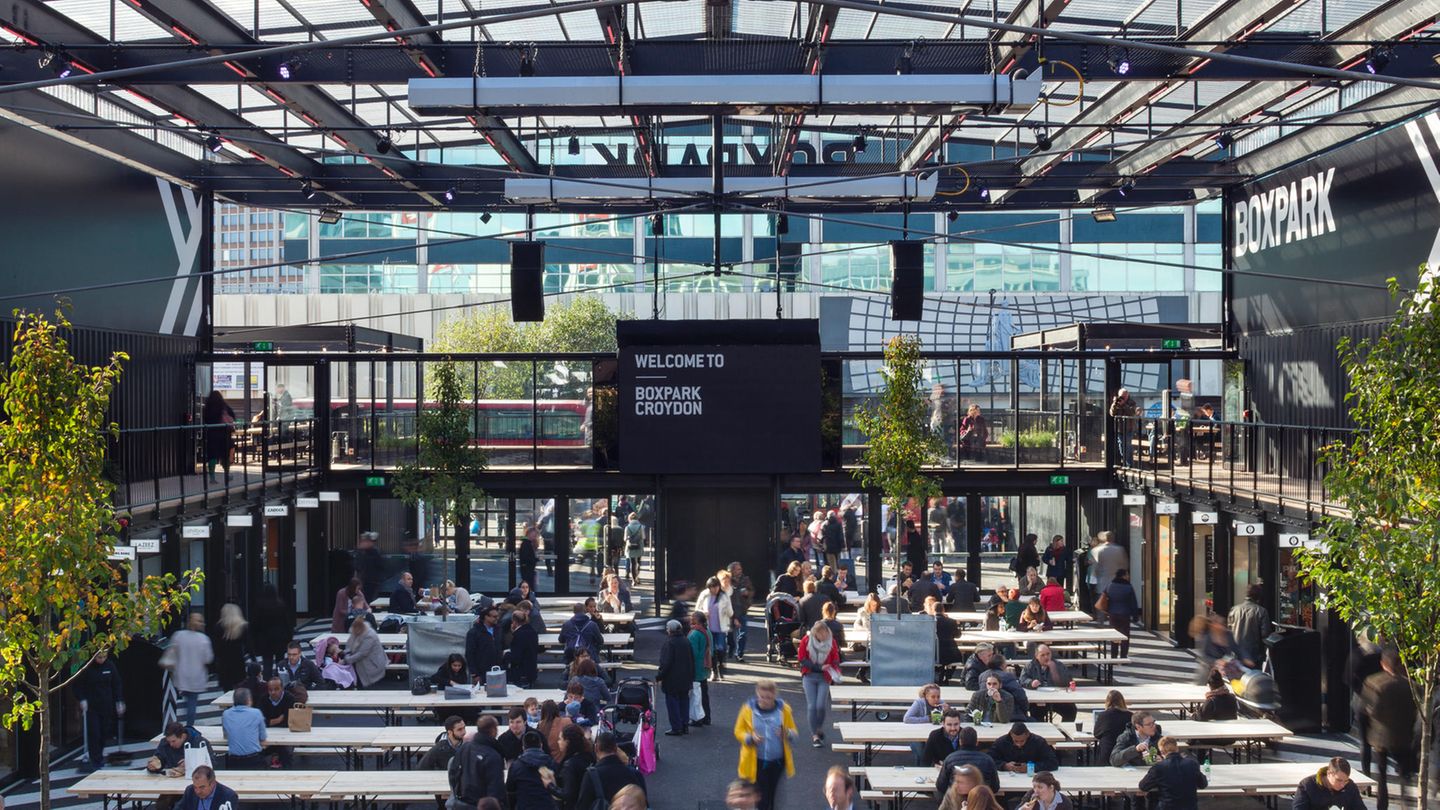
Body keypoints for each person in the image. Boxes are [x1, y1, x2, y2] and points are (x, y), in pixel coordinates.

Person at [1362, 648, 1417, 810]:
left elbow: (1372, 710)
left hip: (1381, 737)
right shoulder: (1411, 685)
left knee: (1382, 773)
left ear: (1383, 664)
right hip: (1404, 736)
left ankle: (1382, 804)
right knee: (1404, 773)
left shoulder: (1374, 682)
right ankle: (1405, 802)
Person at [733, 679, 797, 810]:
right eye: (761, 696)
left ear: (774, 695)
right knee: (762, 796)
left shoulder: (784, 710)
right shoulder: (747, 710)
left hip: (778, 761)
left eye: (768, 697)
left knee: (772, 793)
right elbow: (738, 730)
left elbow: (794, 733)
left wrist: (787, 733)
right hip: (756, 761)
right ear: (757, 693)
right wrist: (750, 738)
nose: (764, 700)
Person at [76, 649, 125, 770]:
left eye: (104, 657)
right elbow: (77, 686)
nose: (102, 660)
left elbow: (116, 684)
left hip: (106, 705)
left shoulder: (110, 666)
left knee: (104, 732)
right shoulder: (86, 668)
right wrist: (82, 699)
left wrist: (119, 701)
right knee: (94, 733)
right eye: (99, 657)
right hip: (92, 707)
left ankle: (100, 755)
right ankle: (95, 759)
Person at [796, 620, 840, 748]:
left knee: (820, 705)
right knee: (812, 706)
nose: (824, 636)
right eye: (821, 634)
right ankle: (815, 735)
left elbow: (836, 658)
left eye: (825, 633)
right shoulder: (806, 640)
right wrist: (819, 667)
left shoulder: (832, 641)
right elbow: (802, 659)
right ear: (815, 633)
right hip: (809, 675)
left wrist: (835, 670)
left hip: (824, 677)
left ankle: (819, 727)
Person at [575, 731, 646, 809]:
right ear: (616, 748)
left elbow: (582, 806)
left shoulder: (591, 776)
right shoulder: (635, 774)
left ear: (596, 748)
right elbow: (643, 803)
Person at [448, 716, 506, 810]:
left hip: (462, 802)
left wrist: (458, 794)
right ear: (493, 730)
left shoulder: (464, 748)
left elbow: (453, 773)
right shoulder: (493, 756)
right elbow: (496, 788)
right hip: (482, 806)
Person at [1137, 737, 1206, 810]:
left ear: (1161, 752)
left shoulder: (1159, 768)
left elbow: (1143, 786)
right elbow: (1203, 784)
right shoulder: (1192, 764)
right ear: (1177, 749)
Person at [934, 724, 1002, 794]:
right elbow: (995, 787)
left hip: (956, 801)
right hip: (980, 801)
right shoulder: (988, 760)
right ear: (977, 742)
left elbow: (941, 786)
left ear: (960, 742)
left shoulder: (950, 759)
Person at [658, 619, 696, 736]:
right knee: (684, 700)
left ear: (670, 630)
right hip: (685, 677)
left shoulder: (670, 643)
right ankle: (684, 724)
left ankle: (676, 727)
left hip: (672, 679)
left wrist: (660, 676)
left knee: (672, 702)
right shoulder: (686, 641)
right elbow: (692, 659)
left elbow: (666, 662)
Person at [1022, 645, 1076, 722]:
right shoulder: (1030, 666)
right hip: (1038, 700)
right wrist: (1031, 683)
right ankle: (1042, 732)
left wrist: (1054, 670)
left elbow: (1068, 682)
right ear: (1036, 656)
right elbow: (1022, 679)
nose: (1046, 657)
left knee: (1071, 710)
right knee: (1036, 713)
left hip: (1057, 698)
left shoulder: (1058, 665)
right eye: (1042, 655)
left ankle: (1063, 731)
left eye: (1048, 654)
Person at [506, 730, 558, 810]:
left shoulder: (516, 766)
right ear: (541, 745)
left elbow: (510, 789)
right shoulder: (551, 763)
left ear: (523, 747)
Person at [250, 584, 292, 678]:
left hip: (265, 639)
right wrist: (289, 637)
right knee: (280, 661)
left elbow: (255, 624)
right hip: (279, 638)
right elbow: (286, 622)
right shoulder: (280, 604)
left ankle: (267, 683)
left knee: (267, 662)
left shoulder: (259, 605)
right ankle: (280, 680)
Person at [1293, 756, 1367, 810]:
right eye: (1339, 780)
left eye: (1345, 781)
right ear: (1328, 773)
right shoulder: (1307, 786)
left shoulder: (1350, 787)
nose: (1342, 785)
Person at [1227, 584, 1273, 668]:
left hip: (1236, 653)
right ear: (1258, 597)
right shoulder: (1261, 611)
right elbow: (1265, 634)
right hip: (1253, 655)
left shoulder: (1234, 609)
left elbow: (1229, 631)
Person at [220, 687, 267, 769]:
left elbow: (226, 736)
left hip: (234, 761)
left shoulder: (226, 714)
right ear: (249, 700)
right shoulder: (256, 713)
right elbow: (262, 737)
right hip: (254, 760)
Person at [989, 722, 1059, 774]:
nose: (1019, 744)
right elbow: (989, 759)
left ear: (1027, 735)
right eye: (1015, 741)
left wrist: (1031, 767)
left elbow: (1053, 762)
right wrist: (1004, 766)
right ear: (1011, 735)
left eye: (1022, 741)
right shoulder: (1001, 742)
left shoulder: (1039, 742)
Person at [698, 576, 734, 679]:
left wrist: (726, 611)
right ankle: (714, 671)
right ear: (708, 587)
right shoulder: (704, 595)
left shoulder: (724, 596)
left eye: (716, 586)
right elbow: (697, 608)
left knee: (721, 649)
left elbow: (730, 612)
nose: (715, 589)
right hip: (708, 628)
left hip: (721, 628)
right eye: (712, 587)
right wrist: (703, 612)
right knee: (711, 650)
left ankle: (721, 666)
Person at [553, 723, 594, 810]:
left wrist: (549, 785)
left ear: (567, 742)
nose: (558, 742)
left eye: (560, 739)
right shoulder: (589, 756)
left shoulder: (570, 765)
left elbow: (567, 794)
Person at [1088, 531, 1127, 617]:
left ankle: (1101, 620)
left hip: (1103, 580)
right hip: (1116, 580)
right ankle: (1114, 619)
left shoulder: (1098, 550)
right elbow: (1124, 565)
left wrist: (1098, 576)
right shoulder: (1120, 550)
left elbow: (1097, 567)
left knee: (1102, 601)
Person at [1102, 569, 1139, 658]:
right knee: (1125, 636)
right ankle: (1123, 656)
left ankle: (1113, 656)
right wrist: (1135, 616)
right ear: (1123, 576)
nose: (1128, 576)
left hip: (1112, 614)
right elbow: (1133, 602)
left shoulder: (1110, 585)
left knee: (1114, 635)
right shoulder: (1128, 587)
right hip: (1124, 614)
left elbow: (1104, 597)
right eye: (1127, 575)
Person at [201, 391, 236, 484]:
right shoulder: (223, 406)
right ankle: (227, 474)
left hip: (212, 435)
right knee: (225, 456)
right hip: (224, 434)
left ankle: (212, 477)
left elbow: (205, 420)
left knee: (212, 456)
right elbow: (233, 416)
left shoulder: (207, 408)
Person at [212, 603, 249, 691]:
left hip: (224, 663)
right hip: (238, 661)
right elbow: (249, 645)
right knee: (239, 687)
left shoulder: (219, 627)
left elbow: (216, 647)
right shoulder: (243, 626)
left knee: (227, 689)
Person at [343, 616, 388, 689]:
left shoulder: (370, 635)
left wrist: (347, 660)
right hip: (360, 663)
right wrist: (346, 654)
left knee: (370, 687)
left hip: (373, 663)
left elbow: (362, 654)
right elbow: (349, 645)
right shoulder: (354, 632)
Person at [557, 603, 603, 668]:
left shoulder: (566, 624)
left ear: (573, 612)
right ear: (585, 611)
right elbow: (600, 641)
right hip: (589, 656)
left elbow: (561, 640)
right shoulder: (592, 625)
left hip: (571, 656)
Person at [1092, 690, 1133, 764]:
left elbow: (1096, 734)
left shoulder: (1103, 715)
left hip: (1106, 753)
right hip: (1124, 754)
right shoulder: (1130, 715)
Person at [467, 606, 504, 681]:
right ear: (486, 617)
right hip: (481, 672)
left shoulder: (498, 630)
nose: (497, 618)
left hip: (498, 670)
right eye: (494, 616)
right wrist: (474, 674)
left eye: (498, 616)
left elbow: (502, 647)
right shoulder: (474, 632)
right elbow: (470, 653)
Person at [689, 611, 713, 727]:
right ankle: (706, 717)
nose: (690, 620)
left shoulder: (695, 634)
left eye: (692, 618)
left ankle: (698, 718)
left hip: (696, 668)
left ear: (696, 620)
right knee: (704, 694)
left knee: (696, 695)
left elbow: (692, 653)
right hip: (705, 666)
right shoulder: (707, 631)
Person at [506, 607, 540, 688]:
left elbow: (516, 657)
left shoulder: (518, 635)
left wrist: (506, 655)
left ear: (514, 621)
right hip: (531, 669)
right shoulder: (532, 631)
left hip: (521, 672)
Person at [727, 562, 754, 661]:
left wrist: (748, 594)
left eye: (740, 569)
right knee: (729, 634)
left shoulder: (745, 579)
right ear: (732, 570)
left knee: (743, 634)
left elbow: (752, 591)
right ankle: (731, 647)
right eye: (737, 569)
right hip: (730, 611)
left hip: (742, 610)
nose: (740, 571)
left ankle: (740, 654)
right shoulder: (728, 580)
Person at [353, 531, 385, 605]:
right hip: (363, 581)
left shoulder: (375, 552)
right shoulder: (361, 552)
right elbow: (357, 567)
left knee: (369, 600)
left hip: (371, 581)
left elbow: (380, 567)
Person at [1110, 388, 1140, 465]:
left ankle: (1129, 465)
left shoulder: (1132, 403)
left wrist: (1124, 405)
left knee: (1128, 446)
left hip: (1129, 428)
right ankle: (1126, 462)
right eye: (1121, 396)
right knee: (1121, 446)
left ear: (1127, 395)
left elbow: (1132, 413)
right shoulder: (1117, 402)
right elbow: (1112, 413)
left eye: (1124, 396)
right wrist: (1114, 404)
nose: (1123, 398)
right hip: (1119, 428)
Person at [519, 525, 541, 592]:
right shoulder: (526, 544)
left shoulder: (527, 543)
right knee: (528, 586)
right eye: (533, 535)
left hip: (528, 568)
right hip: (527, 568)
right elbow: (526, 557)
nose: (535, 536)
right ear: (529, 534)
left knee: (529, 585)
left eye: (536, 535)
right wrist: (536, 559)